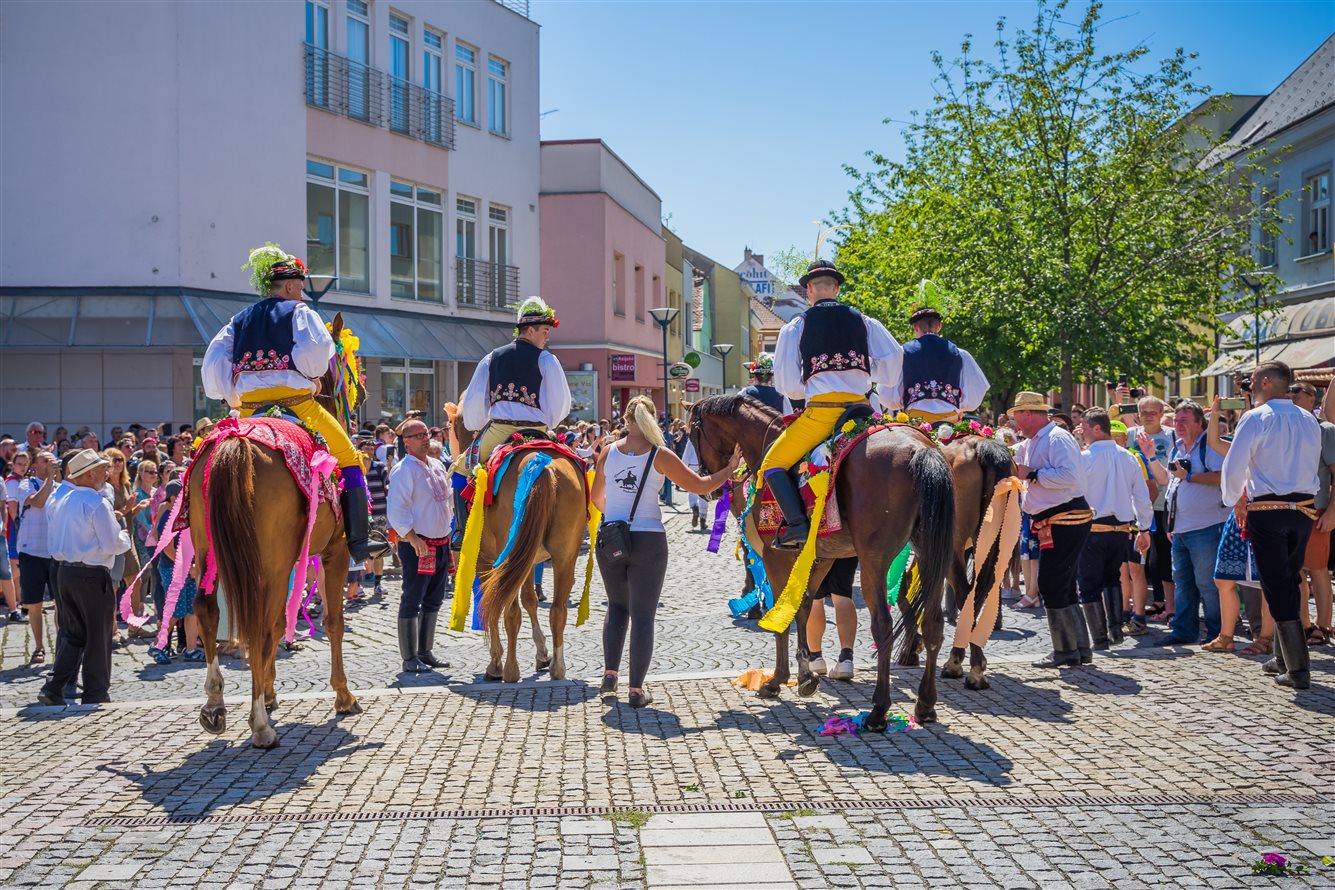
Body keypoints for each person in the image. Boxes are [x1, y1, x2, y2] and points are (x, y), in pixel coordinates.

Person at [202, 243, 386, 562]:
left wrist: (236, 395)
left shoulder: (238, 320)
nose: (301, 295)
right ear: (289, 286)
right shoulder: (299, 311)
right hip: (299, 403)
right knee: (349, 457)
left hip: (245, 409)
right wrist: (311, 377)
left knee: (203, 457)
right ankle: (359, 541)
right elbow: (316, 353)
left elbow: (214, 365)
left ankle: (197, 539)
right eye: (300, 288)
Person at [593, 395, 741, 708]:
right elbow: (700, 486)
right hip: (648, 540)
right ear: (652, 421)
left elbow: (597, 498)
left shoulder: (607, 452)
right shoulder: (660, 455)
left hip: (611, 539)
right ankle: (635, 690)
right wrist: (729, 469)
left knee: (617, 607)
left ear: (626, 420)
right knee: (643, 615)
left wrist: (618, 521)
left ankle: (609, 677)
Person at [764, 260, 903, 548]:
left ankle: (798, 526)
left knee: (772, 463)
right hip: (863, 413)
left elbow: (788, 386)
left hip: (822, 416)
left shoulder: (796, 327)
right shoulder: (864, 321)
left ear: (809, 290)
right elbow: (893, 362)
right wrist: (867, 371)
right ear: (837, 288)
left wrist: (814, 383)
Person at [1221, 361, 1322, 688]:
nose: (1249, 387)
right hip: (1304, 510)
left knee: (1276, 582)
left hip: (1268, 509)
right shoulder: (1309, 419)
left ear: (1265, 382)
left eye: (1251, 381)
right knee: (1289, 578)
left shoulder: (1256, 417)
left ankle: (1297, 668)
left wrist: (1232, 496)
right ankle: (1282, 657)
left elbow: (1234, 464)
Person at [457, 296, 572, 542]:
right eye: (544, 331)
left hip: (498, 431)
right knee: (575, 468)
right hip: (539, 431)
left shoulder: (491, 358)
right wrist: (546, 423)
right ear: (530, 330)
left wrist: (477, 424)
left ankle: (461, 532)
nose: (547, 337)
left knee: (459, 472)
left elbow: (474, 407)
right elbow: (559, 405)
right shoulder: (547, 360)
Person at [37, 450, 131, 705]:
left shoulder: (60, 499)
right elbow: (112, 543)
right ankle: (95, 691)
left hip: (64, 572)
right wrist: (125, 536)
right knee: (98, 636)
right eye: (101, 468)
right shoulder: (95, 503)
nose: (106, 472)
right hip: (90, 575)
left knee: (73, 633)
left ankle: (54, 687)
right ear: (88, 474)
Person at [1011, 392, 1093, 668]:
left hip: (1065, 518)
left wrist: (1032, 474)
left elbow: (1070, 476)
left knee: (1051, 583)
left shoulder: (1056, 438)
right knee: (1064, 584)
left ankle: (1066, 651)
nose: (1016, 423)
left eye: (1017, 416)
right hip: (1056, 519)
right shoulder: (1038, 440)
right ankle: (1079, 648)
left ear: (1028, 414)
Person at [1076, 410, 1152, 649]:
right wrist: (1145, 527)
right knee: (1112, 579)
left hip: (1092, 528)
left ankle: (1100, 637)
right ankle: (1115, 629)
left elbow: (1073, 492)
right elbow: (1141, 496)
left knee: (1089, 583)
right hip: (1120, 530)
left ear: (1096, 428)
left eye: (1085, 428)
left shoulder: (1085, 458)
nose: (1082, 432)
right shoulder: (1127, 457)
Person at [1159, 400, 1231, 647]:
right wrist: (1171, 524)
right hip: (1180, 528)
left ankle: (1217, 633)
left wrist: (1189, 475)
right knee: (1183, 583)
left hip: (1207, 526)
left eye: (1184, 420)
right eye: (1176, 420)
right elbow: (1172, 486)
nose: (1178, 425)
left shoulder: (1210, 447)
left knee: (1208, 584)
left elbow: (1224, 477)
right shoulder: (1177, 447)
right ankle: (1184, 631)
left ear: (1200, 423)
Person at [386, 419, 454, 674]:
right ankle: (409, 656)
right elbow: (397, 508)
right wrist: (412, 538)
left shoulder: (437, 464)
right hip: (419, 544)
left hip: (440, 542)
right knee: (413, 596)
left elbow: (446, 500)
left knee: (434, 599)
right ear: (407, 442)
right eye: (419, 435)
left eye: (426, 433)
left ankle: (425, 652)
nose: (425, 438)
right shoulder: (404, 470)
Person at [1289, 381, 1335, 645]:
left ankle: (1324, 626)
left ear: (1312, 400)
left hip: (1317, 508)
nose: (1292, 396)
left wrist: (1332, 511)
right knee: (1297, 572)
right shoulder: (1287, 429)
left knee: (1318, 571)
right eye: (1290, 391)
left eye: (1298, 392)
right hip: (1292, 508)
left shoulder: (1325, 430)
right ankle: (1303, 625)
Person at [896, 301, 989, 423]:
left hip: (915, 423)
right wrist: (960, 406)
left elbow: (887, 394)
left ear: (915, 327)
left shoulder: (902, 352)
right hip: (950, 421)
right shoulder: (960, 354)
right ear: (939, 326)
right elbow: (977, 390)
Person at [1128, 396, 1177, 622]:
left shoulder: (1171, 435)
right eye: (1144, 411)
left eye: (1153, 412)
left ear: (1161, 413)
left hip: (1164, 503)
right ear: (1138, 414)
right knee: (1143, 560)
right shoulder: (1130, 435)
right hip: (1137, 505)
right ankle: (1156, 602)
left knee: (1163, 557)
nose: (1148, 415)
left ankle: (1170, 605)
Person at [16, 450, 61, 664]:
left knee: (60, 603)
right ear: (34, 465)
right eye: (45, 460)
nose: (50, 462)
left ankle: (63, 646)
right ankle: (39, 647)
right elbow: (39, 502)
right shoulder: (25, 485)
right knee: (34, 604)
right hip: (31, 551)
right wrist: (51, 478)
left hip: (54, 552)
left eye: (52, 460)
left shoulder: (61, 489)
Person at [807, 556, 859, 680]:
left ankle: (815, 658)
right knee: (842, 596)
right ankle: (846, 659)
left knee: (815, 599)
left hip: (816, 541)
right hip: (847, 542)